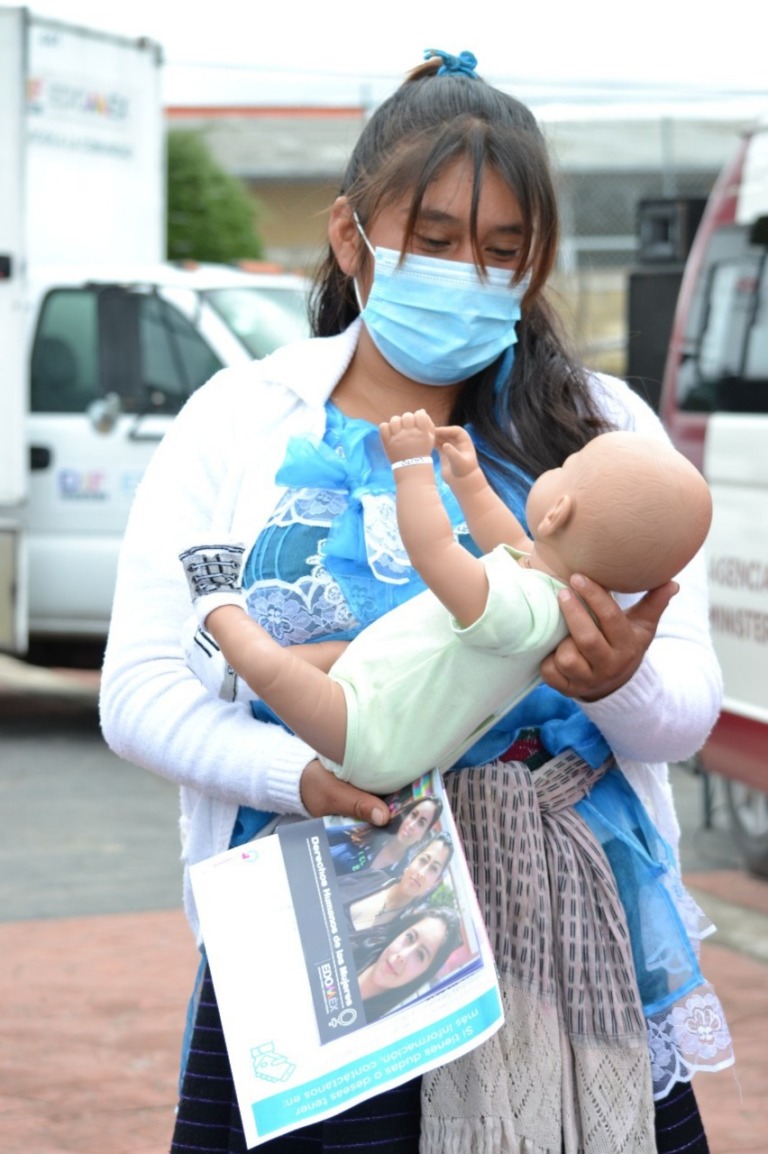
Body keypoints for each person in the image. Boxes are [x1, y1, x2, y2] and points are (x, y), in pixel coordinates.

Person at [99, 47, 731, 1154]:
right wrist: (302, 775)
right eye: (433, 240)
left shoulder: (601, 427)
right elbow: (141, 689)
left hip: (568, 953)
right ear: (352, 236)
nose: (467, 272)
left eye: (501, 250)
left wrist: (619, 682)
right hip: (318, 949)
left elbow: (685, 708)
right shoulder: (239, 423)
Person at [178, 419, 712, 794]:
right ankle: (233, 671)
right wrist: (468, 481)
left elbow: (435, 552)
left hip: (368, 733)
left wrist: (412, 468)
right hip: (374, 694)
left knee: (274, 667)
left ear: (556, 514)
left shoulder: (519, 615)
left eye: (565, 466)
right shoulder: (548, 587)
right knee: (338, 652)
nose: (554, 468)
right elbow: (503, 537)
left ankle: (218, 606)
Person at [352, 906, 462, 1022]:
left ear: (424, 973)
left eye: (420, 955)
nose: (402, 956)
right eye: (410, 937)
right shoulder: (347, 949)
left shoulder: (383, 1025)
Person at [339, 831, 454, 930]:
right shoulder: (375, 876)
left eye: (433, 869)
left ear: (435, 882)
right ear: (412, 860)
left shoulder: (401, 928)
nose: (421, 873)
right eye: (423, 860)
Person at [326, 793, 443, 875]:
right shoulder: (370, 832)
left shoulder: (399, 874)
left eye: (421, 823)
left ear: (422, 836)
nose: (411, 825)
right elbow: (324, 836)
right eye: (413, 815)